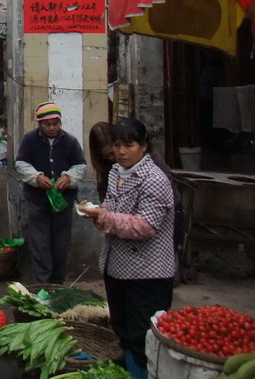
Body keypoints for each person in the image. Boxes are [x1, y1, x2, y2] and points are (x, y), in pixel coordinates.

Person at [79, 118, 175, 379]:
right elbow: (112, 207)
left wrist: (104, 217)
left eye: (128, 145)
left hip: (148, 274)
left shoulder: (154, 179)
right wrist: (98, 211)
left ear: (143, 147)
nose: (121, 152)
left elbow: (146, 227)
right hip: (117, 268)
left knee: (143, 337)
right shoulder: (115, 173)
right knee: (123, 331)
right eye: (117, 145)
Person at [14, 101, 87, 284]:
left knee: (60, 246)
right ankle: (42, 285)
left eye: (55, 124)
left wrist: (68, 178)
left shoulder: (70, 141)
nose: (52, 128)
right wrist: (36, 178)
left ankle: (57, 284)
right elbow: (21, 163)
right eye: (48, 124)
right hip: (37, 201)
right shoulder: (30, 140)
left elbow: (80, 165)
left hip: (63, 202)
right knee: (40, 245)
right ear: (40, 124)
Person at [88, 121, 117, 201]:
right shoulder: (103, 167)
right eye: (106, 156)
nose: (111, 158)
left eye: (112, 153)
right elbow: (103, 196)